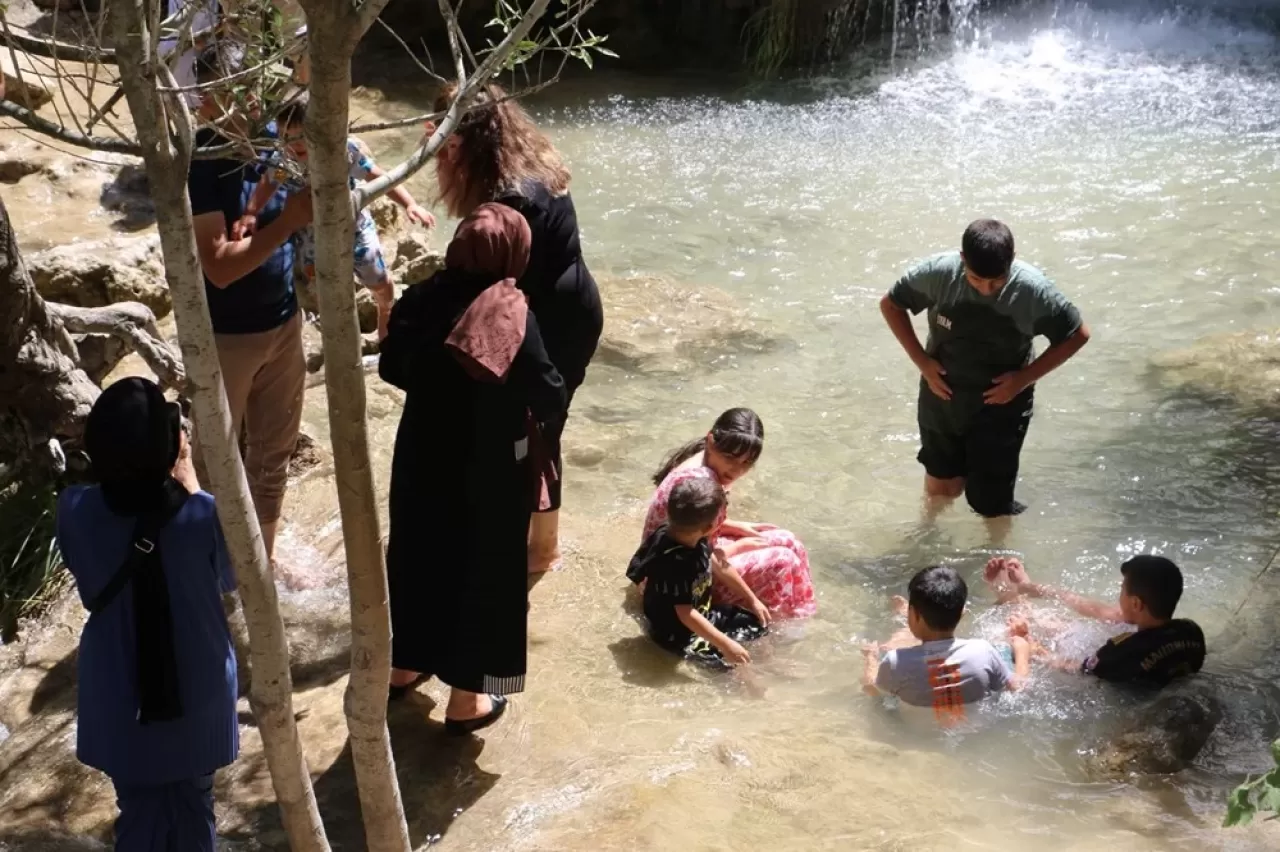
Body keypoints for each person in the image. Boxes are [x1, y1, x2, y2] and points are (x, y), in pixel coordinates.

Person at [380, 203, 568, 733]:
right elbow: (549, 392)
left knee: (418, 557)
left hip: (421, 454)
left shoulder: (421, 295)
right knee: (484, 573)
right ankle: (466, 701)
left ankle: (403, 667)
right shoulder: (510, 311)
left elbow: (393, 368)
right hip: (489, 468)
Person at [427, 82, 604, 578]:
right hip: (572, 303)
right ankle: (539, 538)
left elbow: (486, 287)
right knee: (542, 424)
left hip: (553, 317)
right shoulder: (529, 160)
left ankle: (541, 548)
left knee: (533, 428)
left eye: (442, 140)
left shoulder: (509, 197)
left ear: (459, 142)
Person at [57, 378, 238, 852]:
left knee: (137, 809)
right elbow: (230, 579)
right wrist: (189, 476)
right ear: (173, 446)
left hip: (119, 694)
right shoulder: (206, 516)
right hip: (197, 691)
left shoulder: (73, 510)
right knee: (196, 807)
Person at [879, 219, 1090, 533]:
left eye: (997, 281)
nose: (987, 289)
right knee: (942, 482)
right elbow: (891, 305)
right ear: (962, 259)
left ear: (1013, 259)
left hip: (1003, 402)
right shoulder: (938, 274)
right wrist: (922, 362)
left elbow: (1077, 334)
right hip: (943, 393)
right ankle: (927, 532)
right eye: (977, 279)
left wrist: (1023, 380)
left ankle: (996, 553)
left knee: (990, 500)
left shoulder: (1033, 290)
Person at [187, 43, 311, 562]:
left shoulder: (273, 144)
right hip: (228, 337)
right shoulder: (202, 162)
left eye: (252, 90)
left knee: (273, 455)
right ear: (207, 99)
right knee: (217, 461)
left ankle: (263, 564)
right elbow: (217, 267)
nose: (248, 103)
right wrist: (287, 222)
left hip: (284, 324)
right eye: (233, 93)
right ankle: (212, 567)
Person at [234, 92, 436, 340]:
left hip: (354, 228)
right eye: (287, 136)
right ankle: (340, 334)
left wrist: (410, 204)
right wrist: (250, 213)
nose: (295, 144)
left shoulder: (341, 153)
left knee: (379, 281)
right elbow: (268, 184)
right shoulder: (286, 163)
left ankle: (385, 308)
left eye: (302, 136)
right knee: (323, 291)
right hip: (311, 238)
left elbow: (380, 177)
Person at [644, 408, 816, 619]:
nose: (736, 470)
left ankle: (800, 614)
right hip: (677, 579)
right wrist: (738, 547)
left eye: (746, 463)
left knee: (789, 541)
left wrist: (734, 526)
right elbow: (699, 556)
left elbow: (692, 525)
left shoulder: (705, 463)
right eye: (730, 458)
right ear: (711, 441)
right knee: (782, 561)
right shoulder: (700, 482)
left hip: (694, 551)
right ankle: (779, 625)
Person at [987, 555, 1206, 687]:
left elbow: (1071, 668)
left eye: (1122, 590)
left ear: (1136, 604)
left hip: (1123, 694)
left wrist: (1033, 649)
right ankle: (1025, 591)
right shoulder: (1191, 631)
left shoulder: (1120, 652)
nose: (1119, 593)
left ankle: (1015, 599)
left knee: (1060, 634)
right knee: (1077, 626)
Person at [628, 477, 770, 667]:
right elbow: (685, 614)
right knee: (727, 665)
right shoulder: (678, 562)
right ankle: (752, 684)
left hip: (703, 613)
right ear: (710, 527)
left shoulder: (684, 535)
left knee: (756, 623)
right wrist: (726, 644)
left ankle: (767, 660)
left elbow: (715, 562)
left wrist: (752, 599)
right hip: (677, 632)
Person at [862, 566, 1029, 724]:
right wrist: (1022, 650)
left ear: (912, 614)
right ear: (963, 613)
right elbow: (1018, 688)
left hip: (918, 731)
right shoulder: (983, 650)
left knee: (888, 648)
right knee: (1003, 644)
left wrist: (870, 657)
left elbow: (872, 689)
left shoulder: (896, 661)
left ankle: (907, 624)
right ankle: (1017, 601)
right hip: (974, 726)